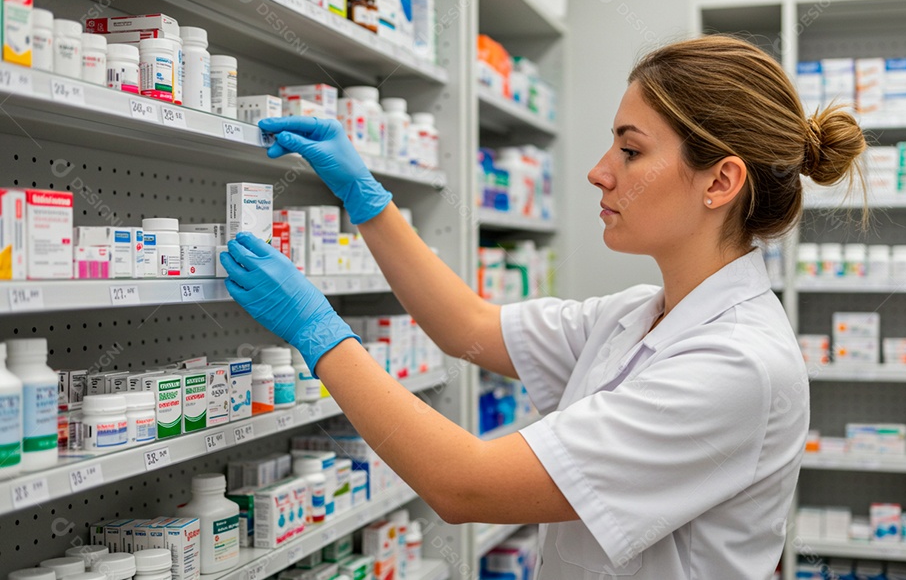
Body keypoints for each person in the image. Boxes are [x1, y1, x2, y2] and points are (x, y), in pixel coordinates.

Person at [220, 35, 866, 578]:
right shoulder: (640, 313)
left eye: (631, 149)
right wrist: (365, 196)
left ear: (720, 181)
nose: (598, 171)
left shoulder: (738, 364)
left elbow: (464, 483)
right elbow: (467, 328)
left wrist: (318, 331)